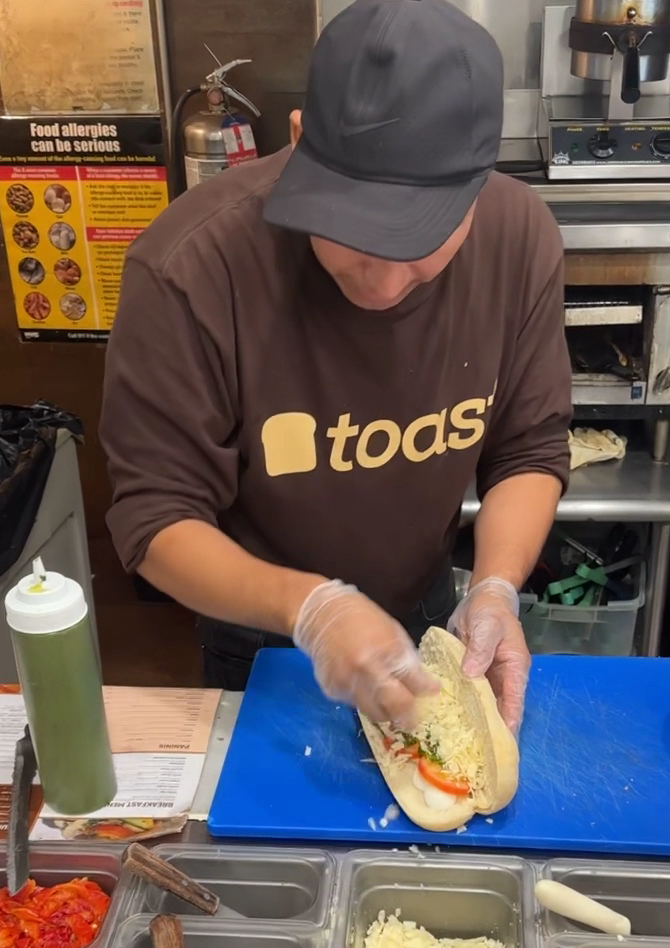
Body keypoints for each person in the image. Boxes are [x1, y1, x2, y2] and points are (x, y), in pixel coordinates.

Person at [99, 0, 572, 736]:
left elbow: (528, 448)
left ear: (480, 184)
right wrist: (311, 608)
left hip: (428, 611)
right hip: (259, 634)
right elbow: (154, 516)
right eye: (350, 227)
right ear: (298, 141)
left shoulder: (520, 238)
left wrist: (495, 589)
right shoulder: (191, 267)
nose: (382, 282)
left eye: (421, 239)